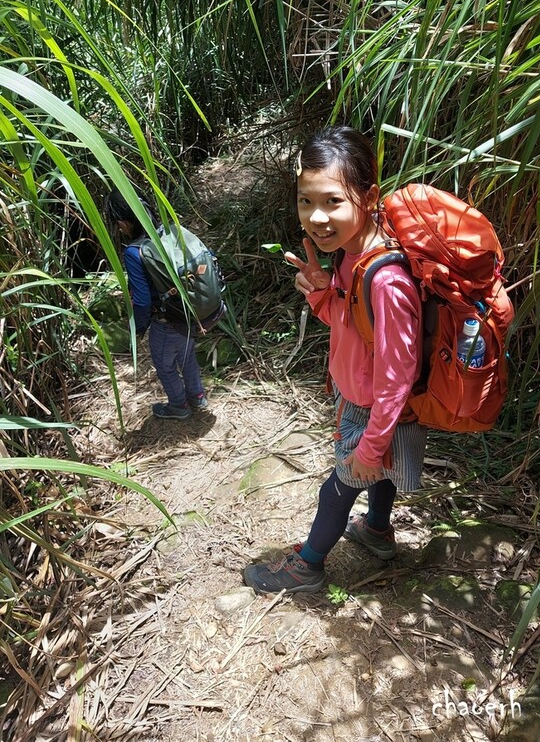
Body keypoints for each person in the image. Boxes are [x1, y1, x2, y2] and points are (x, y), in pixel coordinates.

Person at [244, 126, 427, 594]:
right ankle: (377, 531)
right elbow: (348, 323)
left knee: (338, 489)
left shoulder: (387, 281)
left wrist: (371, 445)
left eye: (332, 201)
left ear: (369, 197)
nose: (317, 217)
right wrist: (321, 290)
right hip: (365, 403)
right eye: (306, 201)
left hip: (377, 411)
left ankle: (307, 567)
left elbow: (398, 376)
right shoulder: (350, 254)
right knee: (381, 476)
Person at [106, 187, 208, 420]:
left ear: (123, 221)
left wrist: (138, 327)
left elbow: (142, 300)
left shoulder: (135, 252)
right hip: (187, 314)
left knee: (165, 365)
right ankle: (198, 396)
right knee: (187, 357)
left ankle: (179, 406)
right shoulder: (167, 234)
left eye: (118, 222)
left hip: (165, 322)